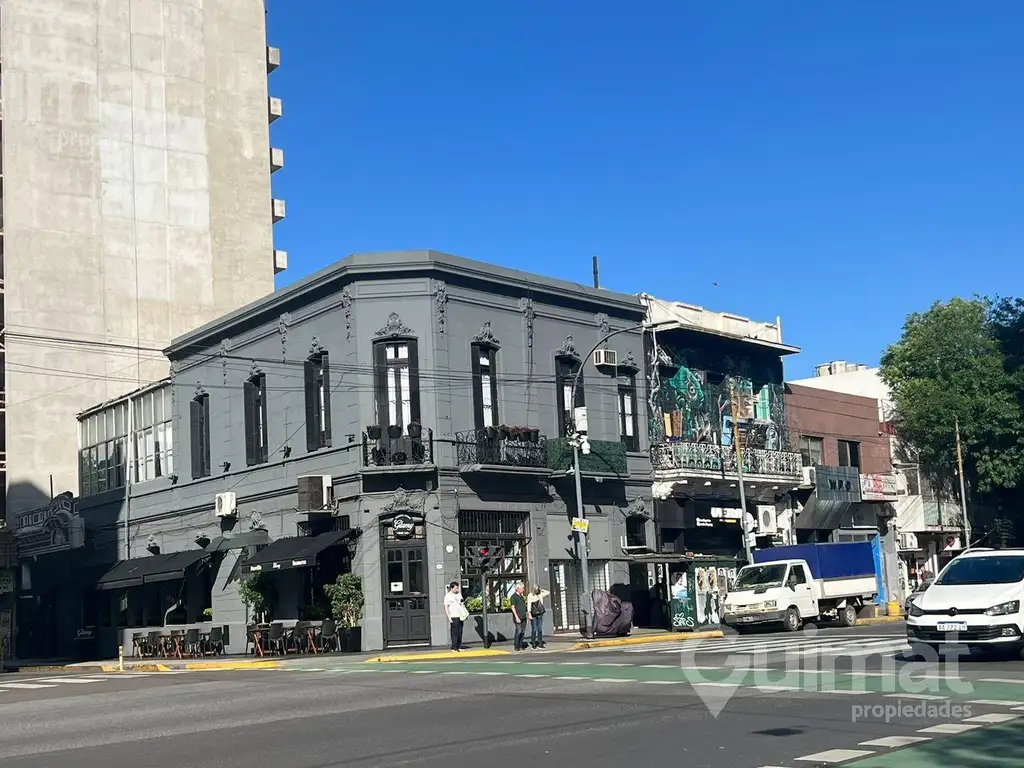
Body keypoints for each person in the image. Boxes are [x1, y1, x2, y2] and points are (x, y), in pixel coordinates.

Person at [443, 582, 465, 651]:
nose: (457, 589)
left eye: (457, 588)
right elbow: (446, 607)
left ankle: (459, 646)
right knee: (454, 632)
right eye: (455, 588)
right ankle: (454, 647)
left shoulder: (459, 594)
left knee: (460, 631)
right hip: (453, 616)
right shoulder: (448, 596)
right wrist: (449, 617)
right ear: (451, 588)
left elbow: (462, 603)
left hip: (460, 615)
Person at [527, 584, 550, 649]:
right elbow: (528, 605)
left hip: (540, 613)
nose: (537, 591)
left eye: (538, 590)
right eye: (536, 590)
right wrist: (529, 614)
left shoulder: (540, 594)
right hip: (533, 614)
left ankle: (540, 643)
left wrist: (541, 589)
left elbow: (548, 592)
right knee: (534, 629)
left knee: (539, 629)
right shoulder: (530, 595)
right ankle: (533, 643)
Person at [510, 581, 528, 652]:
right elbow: (513, 607)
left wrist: (526, 616)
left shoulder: (521, 597)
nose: (523, 589)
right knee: (518, 632)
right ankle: (516, 646)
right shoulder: (513, 597)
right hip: (518, 617)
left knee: (523, 632)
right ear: (518, 589)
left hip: (523, 617)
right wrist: (516, 617)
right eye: (522, 588)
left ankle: (520, 645)